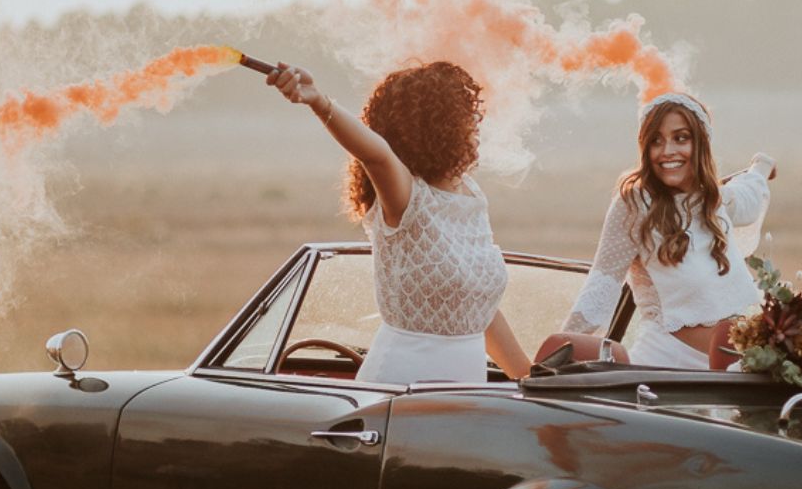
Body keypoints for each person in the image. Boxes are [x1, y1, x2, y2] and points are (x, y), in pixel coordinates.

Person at [267, 59, 529, 385]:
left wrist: (531, 379)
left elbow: (479, 312)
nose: (475, 127)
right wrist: (319, 102)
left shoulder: (473, 197)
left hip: (467, 398)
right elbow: (376, 155)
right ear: (439, 129)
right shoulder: (407, 197)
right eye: (465, 119)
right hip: (398, 391)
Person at [561, 91, 775, 369]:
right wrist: (557, 356)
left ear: (701, 143)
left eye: (681, 138)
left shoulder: (713, 198)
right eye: (656, 141)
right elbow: (601, 286)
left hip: (736, 375)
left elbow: (750, 197)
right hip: (667, 370)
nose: (667, 151)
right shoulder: (636, 203)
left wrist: (762, 167)